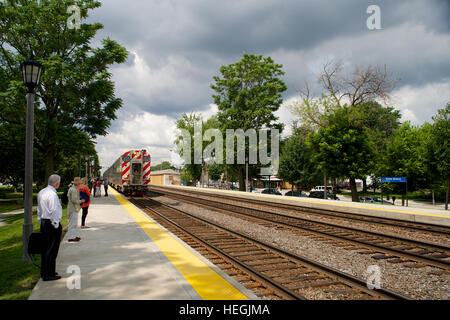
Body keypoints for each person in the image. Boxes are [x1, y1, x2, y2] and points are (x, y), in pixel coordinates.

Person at [37, 174, 63, 281]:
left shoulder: (42, 192)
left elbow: (39, 209)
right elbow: (53, 211)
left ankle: (45, 271)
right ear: (56, 183)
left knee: (45, 248)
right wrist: (56, 224)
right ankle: (49, 274)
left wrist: (40, 219)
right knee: (52, 249)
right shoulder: (52, 195)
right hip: (51, 224)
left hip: (44, 222)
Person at [67, 177, 85, 242]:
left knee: (73, 223)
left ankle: (73, 236)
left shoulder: (73, 189)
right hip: (73, 209)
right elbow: (74, 200)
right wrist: (81, 201)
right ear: (77, 184)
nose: (80, 185)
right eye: (79, 183)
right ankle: (71, 237)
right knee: (73, 224)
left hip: (73, 208)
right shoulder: (74, 190)